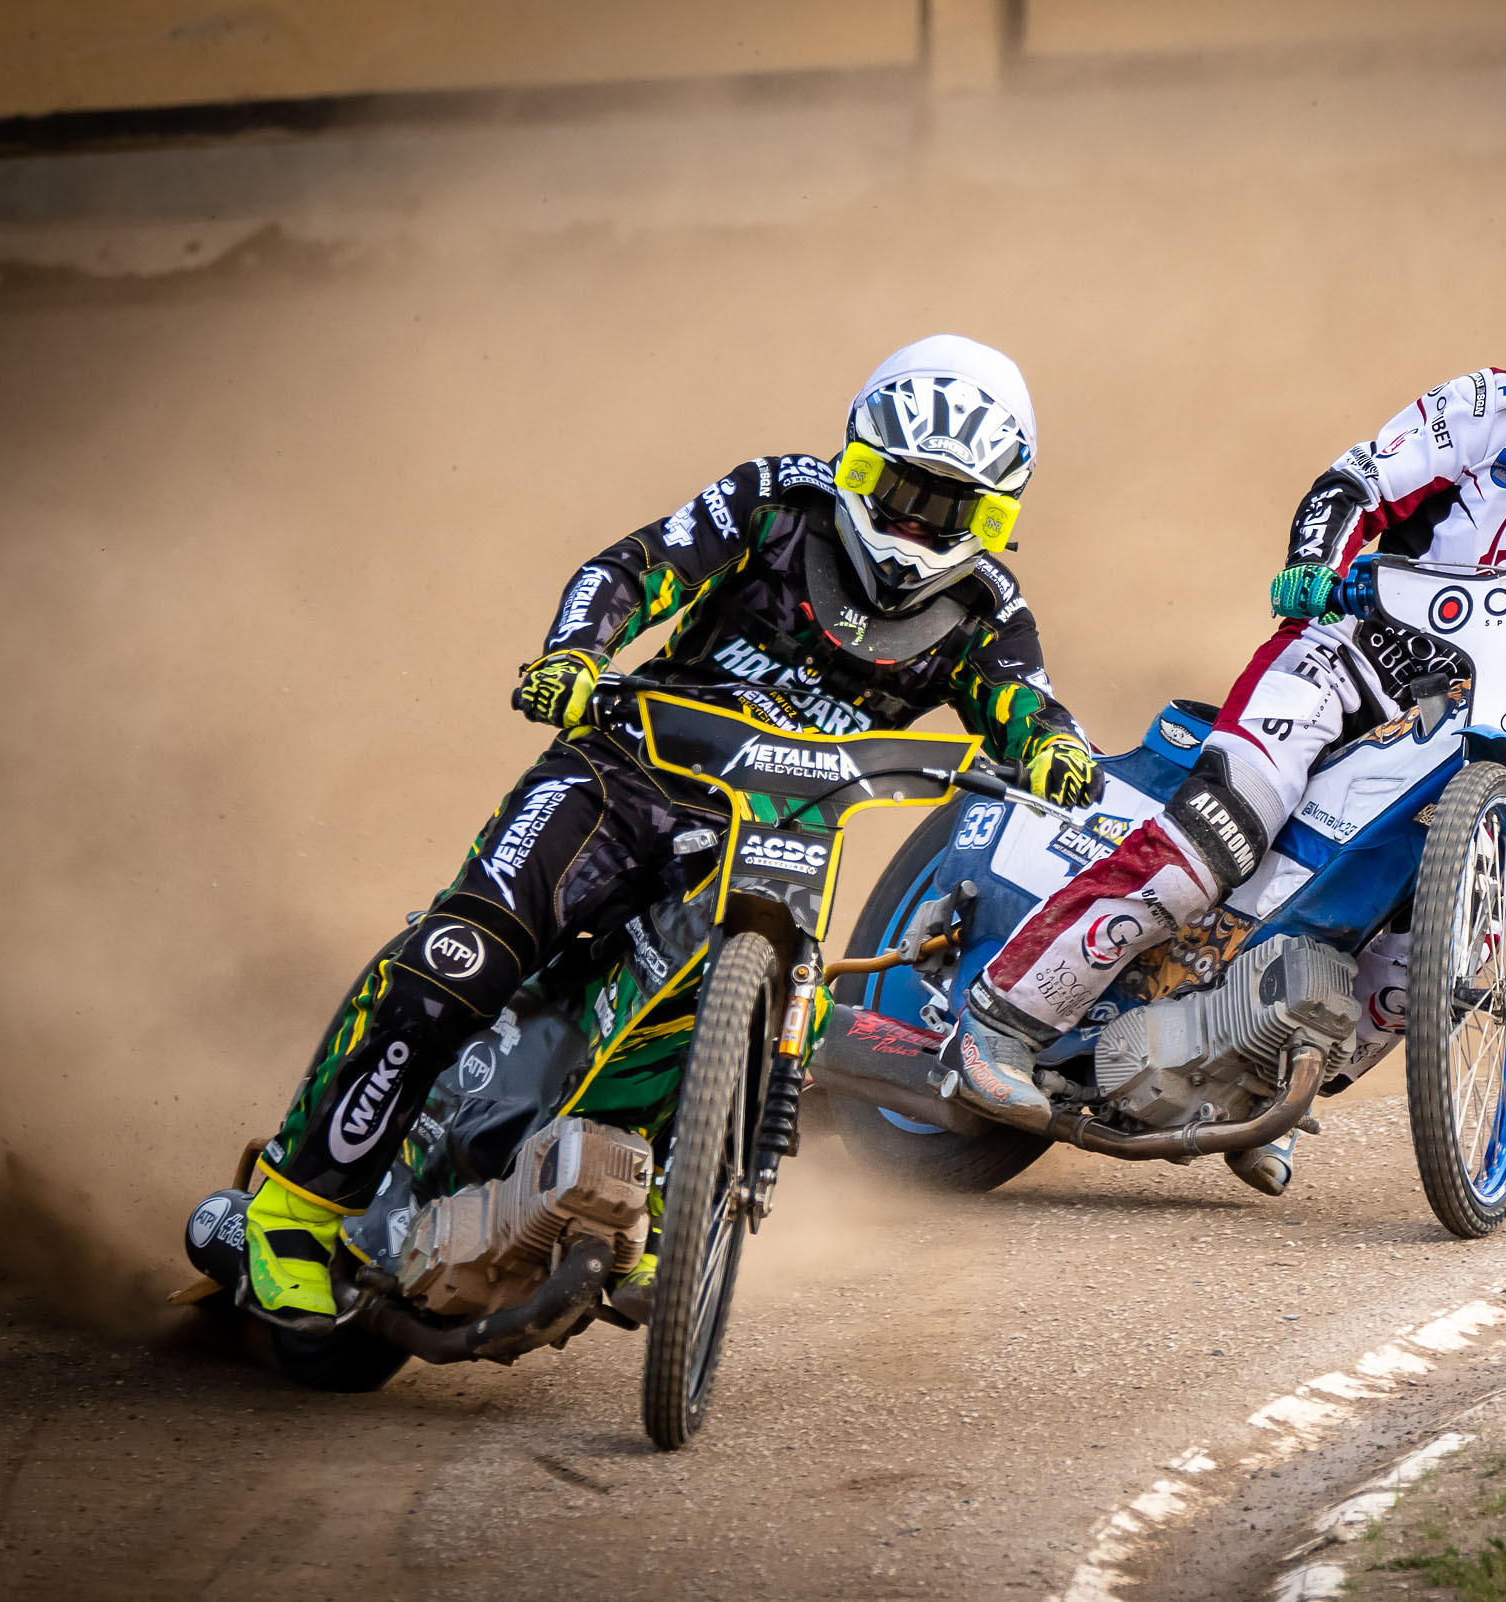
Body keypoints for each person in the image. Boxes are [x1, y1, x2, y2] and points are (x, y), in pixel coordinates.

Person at [241, 335, 1102, 1328]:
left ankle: (652, 1195)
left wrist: (1057, 752)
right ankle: (294, 1208)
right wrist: (575, 654)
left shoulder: (988, 608)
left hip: (775, 837)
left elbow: (1030, 705)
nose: (914, 525)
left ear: (994, 518)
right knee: (461, 958)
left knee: (776, 1010)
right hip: (621, 778)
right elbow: (633, 567)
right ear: (858, 462)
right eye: (900, 490)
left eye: (949, 508)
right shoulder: (775, 501)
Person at [948, 268, 1506, 1195]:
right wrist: (1314, 565)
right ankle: (1000, 1022)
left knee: (1438, 946)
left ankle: (1259, 1083)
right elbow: (1350, 485)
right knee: (1217, 839)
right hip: (1345, 659)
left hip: (1478, 719)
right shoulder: (1487, 410)